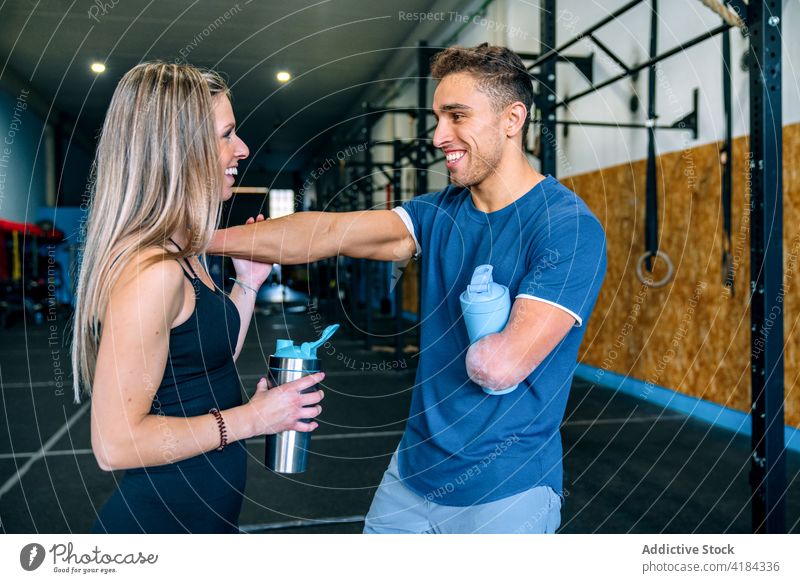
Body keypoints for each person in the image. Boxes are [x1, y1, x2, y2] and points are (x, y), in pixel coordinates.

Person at [210, 44, 607, 533]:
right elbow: (328, 232)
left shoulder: (567, 227)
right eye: (438, 117)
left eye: (457, 116)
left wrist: (484, 327)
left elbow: (499, 368)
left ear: (512, 118)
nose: (440, 135)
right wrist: (195, 238)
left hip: (507, 490)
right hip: (411, 471)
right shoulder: (438, 213)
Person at [71, 62, 325, 534]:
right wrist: (252, 419)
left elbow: (207, 361)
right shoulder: (152, 274)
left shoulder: (184, 255)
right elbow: (115, 445)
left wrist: (247, 281)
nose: (242, 149)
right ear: (179, 151)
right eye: (227, 134)